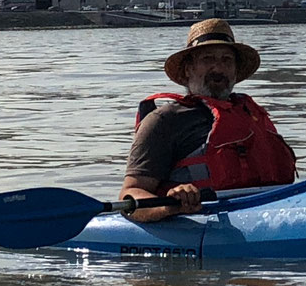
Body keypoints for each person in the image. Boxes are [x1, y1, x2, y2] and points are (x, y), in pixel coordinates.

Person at [120, 17, 297, 222]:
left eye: (226, 60)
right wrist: (169, 207)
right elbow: (130, 195)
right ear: (188, 69)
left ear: (235, 70)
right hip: (202, 225)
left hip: (271, 216)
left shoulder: (253, 115)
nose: (218, 68)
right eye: (208, 59)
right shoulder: (163, 121)